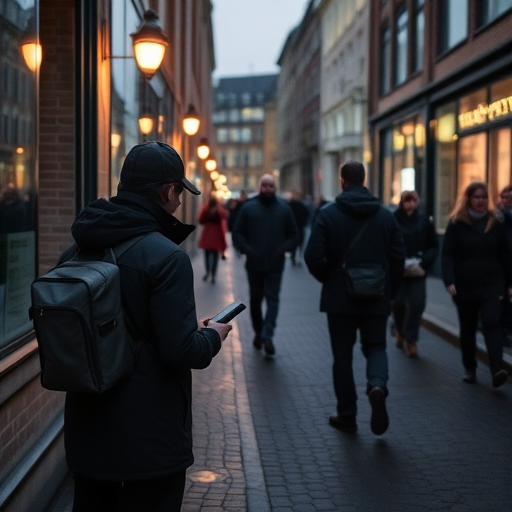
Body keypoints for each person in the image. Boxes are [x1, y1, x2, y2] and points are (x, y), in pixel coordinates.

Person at [60, 142, 232, 512]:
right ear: (168, 192)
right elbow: (181, 350)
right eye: (179, 193)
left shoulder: (75, 250)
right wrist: (212, 336)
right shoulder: (166, 256)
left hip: (87, 426)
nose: (181, 202)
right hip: (149, 434)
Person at [304, 161, 405, 435]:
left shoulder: (328, 214)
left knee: (342, 357)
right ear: (364, 180)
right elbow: (398, 258)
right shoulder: (386, 216)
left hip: (340, 299)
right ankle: (377, 386)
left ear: (342, 182)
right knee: (376, 348)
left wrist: (331, 278)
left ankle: (347, 415)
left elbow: (312, 256)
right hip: (377, 296)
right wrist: (391, 292)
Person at [441, 181, 511, 388]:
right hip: (465, 284)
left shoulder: (495, 222)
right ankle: (469, 368)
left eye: (484, 197)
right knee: (469, 328)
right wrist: (449, 281)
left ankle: (497, 368)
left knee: (492, 324)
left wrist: (509, 282)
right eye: (476, 197)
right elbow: (447, 255)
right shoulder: (456, 223)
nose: (481, 201)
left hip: (492, 283)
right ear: (468, 199)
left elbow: (505, 255)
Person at [233, 174, 299, 356]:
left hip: (275, 264)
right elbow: (237, 232)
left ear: (275, 187)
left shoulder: (284, 209)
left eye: (271, 185)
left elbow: (294, 234)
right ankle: (259, 332)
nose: (268, 188)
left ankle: (267, 335)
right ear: (260, 186)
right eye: (265, 185)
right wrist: (246, 249)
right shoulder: (248, 208)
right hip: (254, 264)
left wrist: (283, 250)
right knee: (255, 300)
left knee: (273, 300)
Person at [392, 191, 438, 358]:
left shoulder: (424, 220)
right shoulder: (393, 219)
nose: (410, 204)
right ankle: (398, 328)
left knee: (417, 303)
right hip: (398, 270)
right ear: (402, 202)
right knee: (398, 303)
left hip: (418, 269)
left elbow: (432, 245)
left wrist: (424, 262)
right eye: (407, 200)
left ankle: (410, 339)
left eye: (413, 200)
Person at [198, 195, 228, 284]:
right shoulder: (220, 210)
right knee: (215, 256)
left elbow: (200, 220)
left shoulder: (205, 209)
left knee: (207, 255)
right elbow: (225, 216)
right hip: (216, 234)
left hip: (208, 233)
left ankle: (208, 271)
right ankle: (213, 275)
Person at [496, 185, 512, 346]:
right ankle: (503, 332)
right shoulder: (497, 217)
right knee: (504, 301)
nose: (506, 201)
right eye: (504, 198)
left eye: (509, 198)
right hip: (503, 266)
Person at [288, 190, 310, 265]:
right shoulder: (291, 205)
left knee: (300, 243)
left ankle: (297, 258)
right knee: (295, 243)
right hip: (294, 228)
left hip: (299, 227)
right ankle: (294, 257)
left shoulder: (300, 205)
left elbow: (306, 214)